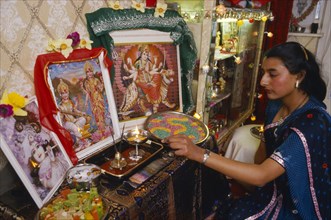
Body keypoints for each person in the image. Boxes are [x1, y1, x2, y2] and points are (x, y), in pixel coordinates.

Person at [163, 42, 330, 219]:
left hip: (295, 207)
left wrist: (200, 154)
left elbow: (261, 175)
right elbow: (261, 160)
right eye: (264, 72)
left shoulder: (312, 123)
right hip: (270, 192)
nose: (263, 81)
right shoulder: (275, 106)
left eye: (272, 74)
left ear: (300, 76)